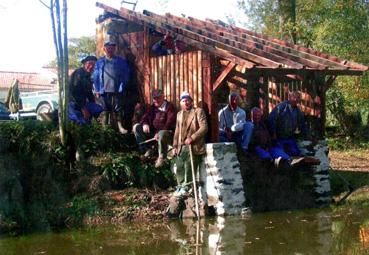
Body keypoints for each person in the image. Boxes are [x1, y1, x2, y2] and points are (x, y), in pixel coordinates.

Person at [172, 91, 208, 203]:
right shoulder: (179, 114)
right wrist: (175, 146)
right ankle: (181, 185)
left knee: (188, 164)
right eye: (183, 101)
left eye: (187, 100)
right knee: (178, 165)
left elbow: (204, 128)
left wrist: (192, 138)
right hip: (181, 145)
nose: (185, 102)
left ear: (191, 101)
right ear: (181, 103)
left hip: (194, 146)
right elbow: (177, 132)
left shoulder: (198, 112)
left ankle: (187, 186)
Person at [93, 40, 130, 133]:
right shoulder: (100, 62)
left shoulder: (120, 61)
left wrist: (122, 85)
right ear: (104, 49)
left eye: (112, 48)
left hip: (117, 90)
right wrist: (97, 89)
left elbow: (126, 74)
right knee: (105, 109)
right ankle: (104, 128)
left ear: (114, 50)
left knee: (118, 109)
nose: (110, 50)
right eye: (108, 48)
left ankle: (120, 127)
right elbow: (95, 76)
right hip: (103, 90)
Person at [133, 89, 177, 168]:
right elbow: (144, 118)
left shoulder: (170, 107)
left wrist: (159, 133)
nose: (156, 100)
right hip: (153, 134)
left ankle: (161, 157)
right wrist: (145, 124)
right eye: (154, 98)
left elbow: (169, 123)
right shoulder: (152, 107)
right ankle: (146, 150)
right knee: (136, 127)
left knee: (161, 133)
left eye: (158, 98)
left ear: (163, 97)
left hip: (167, 134)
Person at [68, 56, 103, 125]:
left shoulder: (88, 76)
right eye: (89, 63)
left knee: (98, 109)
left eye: (93, 65)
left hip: (83, 103)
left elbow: (89, 93)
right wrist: (83, 109)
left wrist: (93, 103)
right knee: (80, 122)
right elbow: (75, 93)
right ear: (84, 63)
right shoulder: (78, 74)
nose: (91, 66)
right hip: (73, 103)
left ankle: (90, 121)